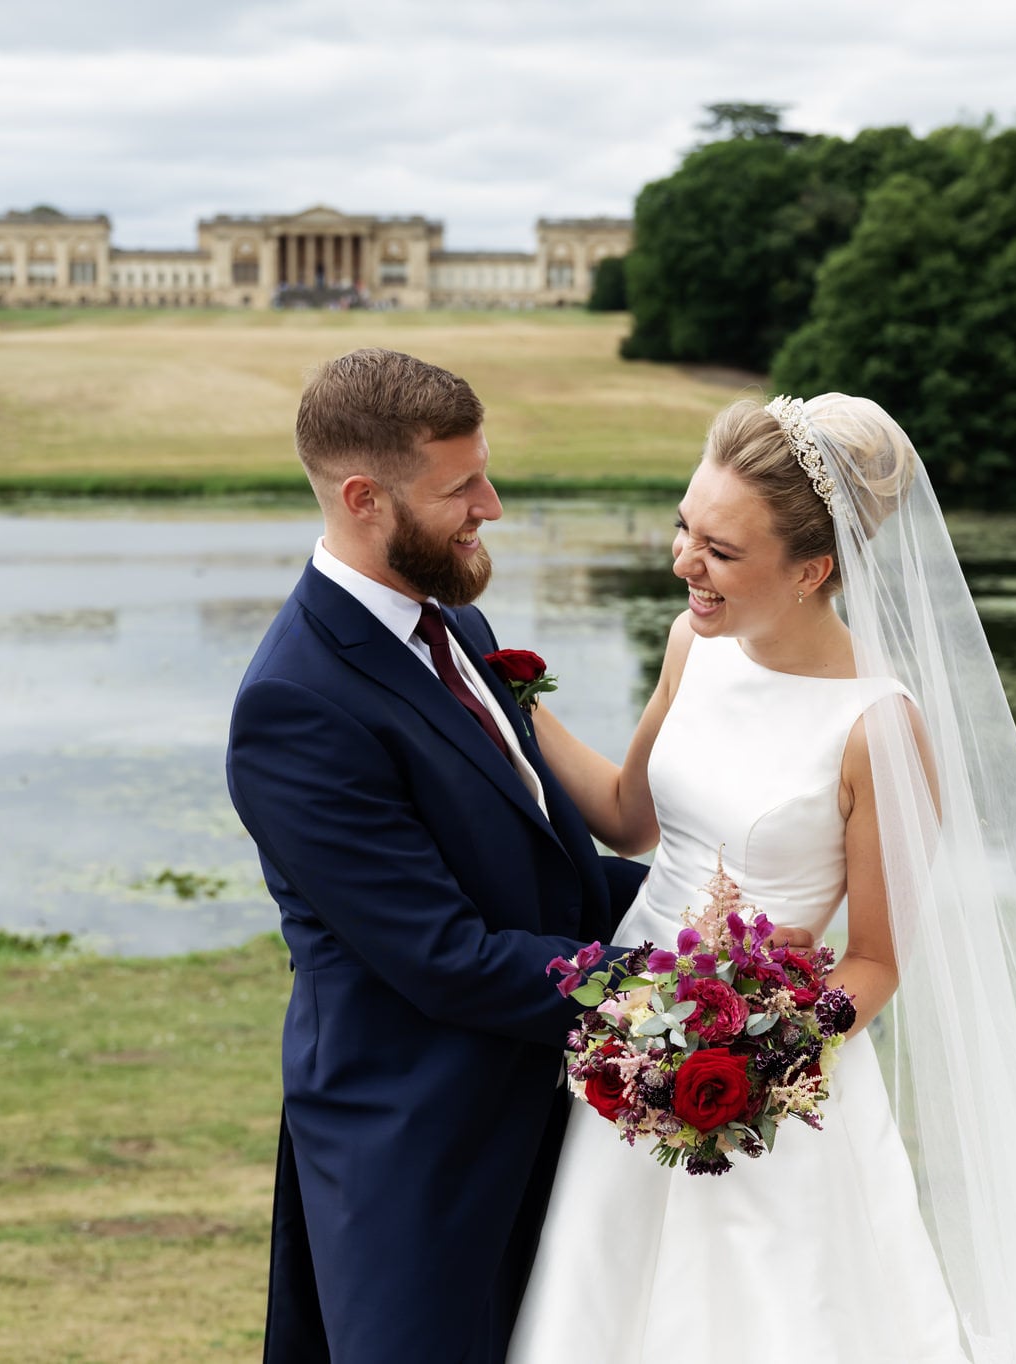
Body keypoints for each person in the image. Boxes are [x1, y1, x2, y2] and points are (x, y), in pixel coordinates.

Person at [511, 395, 1016, 1362]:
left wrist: (749, 1064)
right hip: (628, 1051)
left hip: (767, 1084)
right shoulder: (696, 644)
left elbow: (876, 959)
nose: (684, 562)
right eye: (686, 527)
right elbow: (627, 815)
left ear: (813, 570)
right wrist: (504, 695)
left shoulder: (878, 726)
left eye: (720, 552)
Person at [225, 348, 658, 1364]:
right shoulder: (295, 703)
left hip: (544, 1107)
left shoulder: (453, 622)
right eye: (459, 486)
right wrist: (673, 986)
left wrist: (733, 915)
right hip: (416, 1154)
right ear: (364, 496)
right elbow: (444, 953)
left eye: (484, 471)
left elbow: (553, 871)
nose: (491, 505)